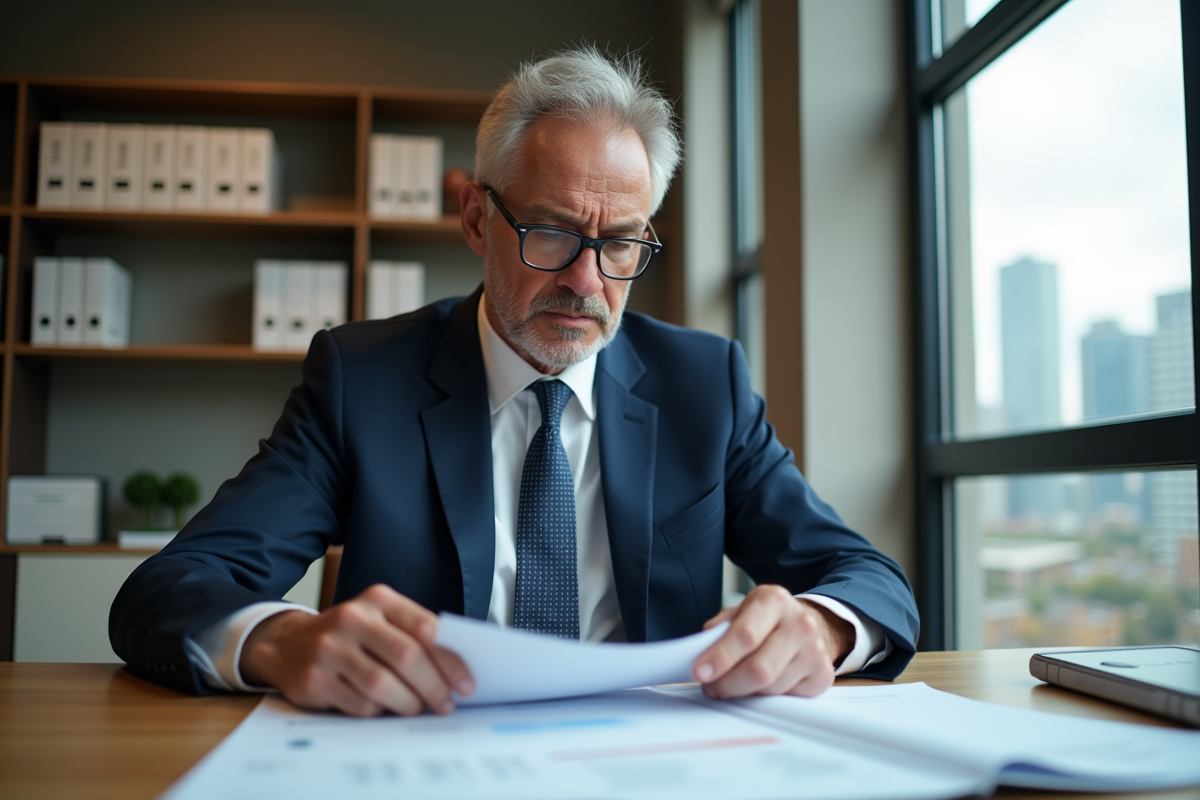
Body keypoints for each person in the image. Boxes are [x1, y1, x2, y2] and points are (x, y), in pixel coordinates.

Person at [110, 48, 918, 718]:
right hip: (426, 758)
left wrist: (821, 625)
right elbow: (167, 592)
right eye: (551, 233)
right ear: (474, 219)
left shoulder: (706, 386)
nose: (586, 282)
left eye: (621, 244)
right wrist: (283, 641)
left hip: (654, 768)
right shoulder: (363, 380)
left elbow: (870, 581)